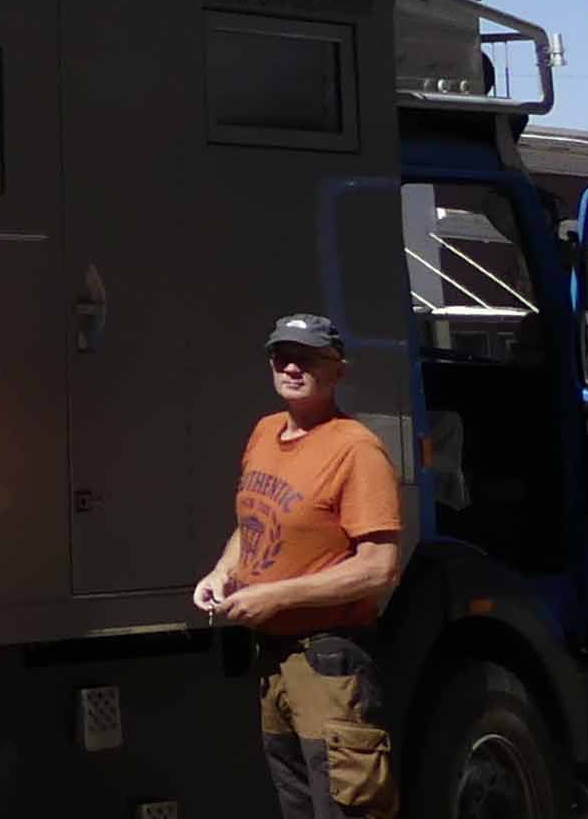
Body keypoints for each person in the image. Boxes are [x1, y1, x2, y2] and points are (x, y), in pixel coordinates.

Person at [193, 314, 407, 819]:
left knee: (347, 809)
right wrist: (223, 572)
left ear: (339, 370)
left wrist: (274, 596)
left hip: (328, 663)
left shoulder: (356, 449)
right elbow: (254, 524)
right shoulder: (265, 432)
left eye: (307, 358)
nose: (291, 367)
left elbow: (379, 568)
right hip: (274, 662)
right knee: (297, 808)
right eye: (281, 356)